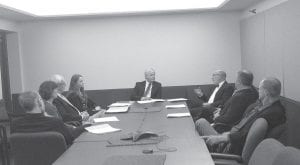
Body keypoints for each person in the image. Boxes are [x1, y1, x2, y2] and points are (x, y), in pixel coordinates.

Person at [197, 77, 286, 155]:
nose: (258, 91)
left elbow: (249, 135)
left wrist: (222, 138)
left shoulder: (273, 113)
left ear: (266, 92)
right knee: (201, 126)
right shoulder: (265, 106)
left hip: (231, 146)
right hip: (230, 138)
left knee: (200, 123)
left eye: (260, 89)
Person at [11, 91, 77, 145]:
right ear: (39, 102)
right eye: (41, 99)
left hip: (25, 160)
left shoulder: (15, 124)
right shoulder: (55, 122)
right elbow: (70, 140)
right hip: (56, 160)